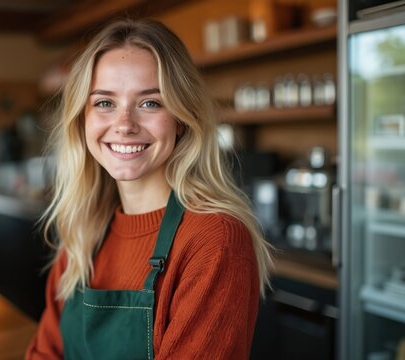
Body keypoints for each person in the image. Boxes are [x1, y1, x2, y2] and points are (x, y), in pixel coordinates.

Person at [25, 19, 274, 359]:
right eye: (104, 103)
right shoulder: (85, 233)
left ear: (183, 119)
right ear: (82, 119)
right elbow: (45, 352)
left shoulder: (215, 241)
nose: (124, 125)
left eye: (150, 103)